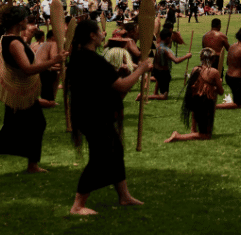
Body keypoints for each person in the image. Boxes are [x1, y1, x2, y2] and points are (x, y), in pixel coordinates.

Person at [66, 19, 151, 215]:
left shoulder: (80, 57)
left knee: (115, 150)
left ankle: (124, 196)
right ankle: (77, 205)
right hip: (94, 116)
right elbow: (121, 86)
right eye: (100, 31)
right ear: (92, 36)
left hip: (88, 113)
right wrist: (140, 70)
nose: (104, 33)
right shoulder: (92, 59)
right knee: (101, 158)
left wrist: (118, 74)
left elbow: (101, 82)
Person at [0, 6, 68, 180]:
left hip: (23, 94)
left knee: (38, 123)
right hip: (18, 94)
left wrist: (51, 62)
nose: (28, 21)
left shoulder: (11, 39)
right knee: (9, 130)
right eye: (26, 18)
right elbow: (27, 69)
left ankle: (32, 164)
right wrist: (53, 60)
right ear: (20, 21)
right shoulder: (13, 43)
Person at [165, 48, 224, 142]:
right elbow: (221, 92)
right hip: (205, 104)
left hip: (195, 101)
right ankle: (178, 136)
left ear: (201, 58)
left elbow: (192, 89)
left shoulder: (195, 69)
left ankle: (193, 129)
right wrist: (218, 83)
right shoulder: (214, 72)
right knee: (206, 136)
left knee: (204, 128)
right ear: (213, 59)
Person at [143, 29, 191, 101]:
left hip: (156, 70)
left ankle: (155, 93)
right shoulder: (165, 49)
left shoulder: (155, 46)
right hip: (164, 73)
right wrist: (187, 56)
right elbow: (176, 60)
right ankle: (144, 97)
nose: (171, 40)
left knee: (159, 80)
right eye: (171, 38)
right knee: (164, 96)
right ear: (168, 38)